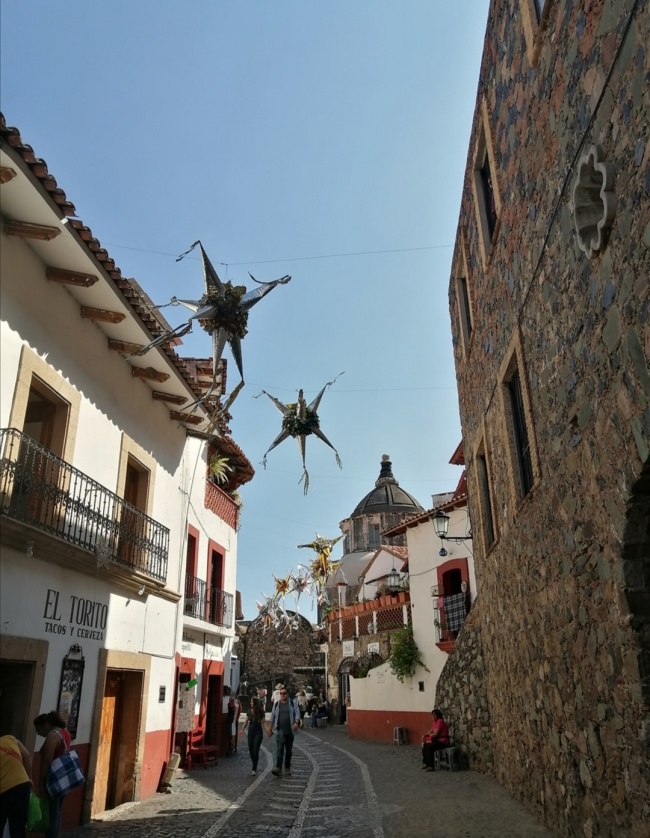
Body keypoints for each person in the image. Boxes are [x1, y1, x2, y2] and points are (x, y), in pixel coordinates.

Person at [34, 711, 72, 838]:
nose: (38, 734)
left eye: (38, 729)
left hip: (54, 779)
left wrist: (41, 783)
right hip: (63, 778)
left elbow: (47, 761)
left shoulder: (52, 736)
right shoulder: (65, 732)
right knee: (57, 813)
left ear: (45, 725)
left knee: (51, 815)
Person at [0, 732, 32, 838]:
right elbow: (27, 755)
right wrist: (29, 778)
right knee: (18, 827)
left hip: (4, 791)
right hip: (23, 785)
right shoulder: (10, 739)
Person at [267, 686, 300, 776]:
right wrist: (269, 729)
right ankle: (278, 768)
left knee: (288, 751)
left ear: (287, 694)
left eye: (284, 693)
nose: (282, 695)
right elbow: (272, 717)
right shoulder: (277, 704)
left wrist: (296, 722)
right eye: (281, 693)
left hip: (290, 731)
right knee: (280, 749)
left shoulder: (293, 703)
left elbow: (297, 712)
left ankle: (287, 767)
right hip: (280, 730)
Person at [240, 697, 265, 775]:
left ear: (255, 703)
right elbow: (246, 721)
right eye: (250, 702)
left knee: (255, 750)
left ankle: (254, 768)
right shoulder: (249, 711)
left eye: (252, 702)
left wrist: (268, 730)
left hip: (258, 732)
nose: (250, 703)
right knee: (251, 750)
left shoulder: (261, 712)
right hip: (251, 732)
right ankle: (254, 763)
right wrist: (242, 729)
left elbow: (264, 723)